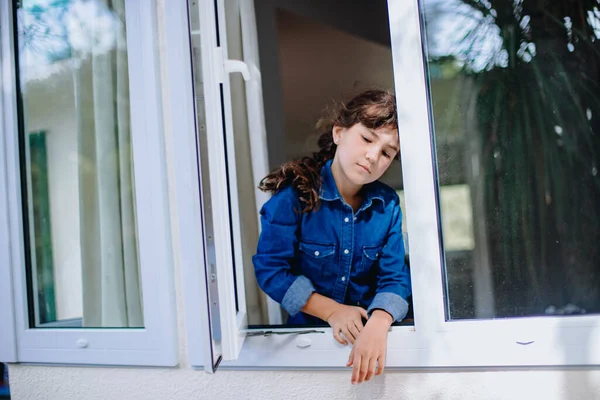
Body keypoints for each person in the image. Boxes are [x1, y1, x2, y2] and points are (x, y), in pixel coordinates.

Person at [252, 89, 411, 384]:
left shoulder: (388, 206)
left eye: (387, 153)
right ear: (339, 132)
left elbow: (396, 278)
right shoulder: (293, 200)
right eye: (367, 139)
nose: (373, 156)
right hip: (305, 350)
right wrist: (332, 311)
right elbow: (271, 271)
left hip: (364, 345)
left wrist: (379, 322)